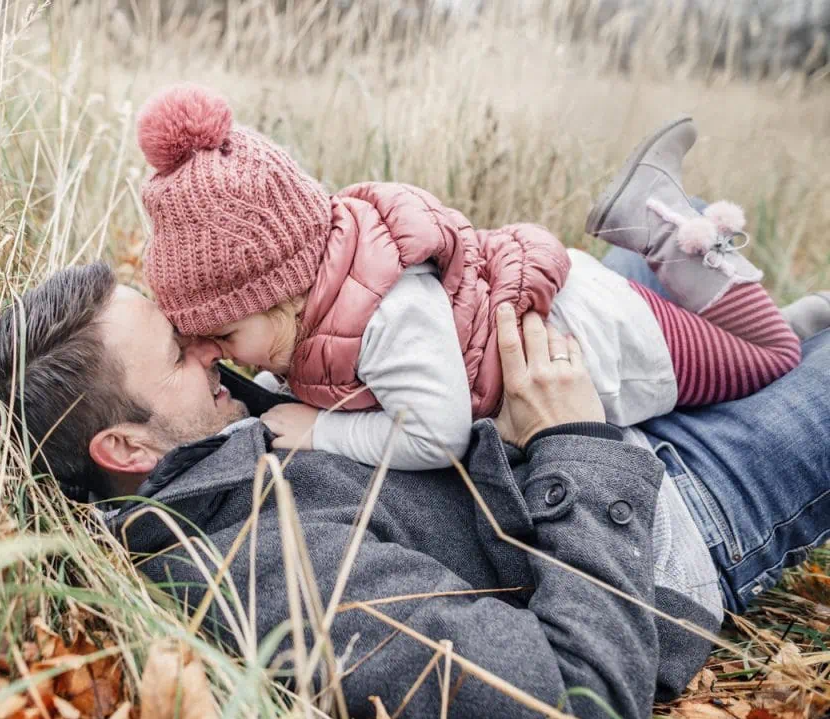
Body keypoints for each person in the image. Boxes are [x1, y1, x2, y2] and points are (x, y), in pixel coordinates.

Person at [0, 244, 830, 719]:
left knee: (656, 254)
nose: (208, 342)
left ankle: (768, 338)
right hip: (663, 508)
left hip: (554, 408)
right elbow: (576, 713)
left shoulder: (215, 421)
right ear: (126, 452)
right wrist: (575, 439)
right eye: (178, 352)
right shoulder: (267, 572)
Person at [133, 85, 805, 470]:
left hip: (611, 343)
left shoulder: (391, 315)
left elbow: (437, 433)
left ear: (283, 292)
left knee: (769, 360)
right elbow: (328, 371)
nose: (215, 351)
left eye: (223, 331)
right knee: (747, 349)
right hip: (581, 308)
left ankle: (663, 228)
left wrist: (323, 432)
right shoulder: (327, 293)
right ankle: (770, 310)